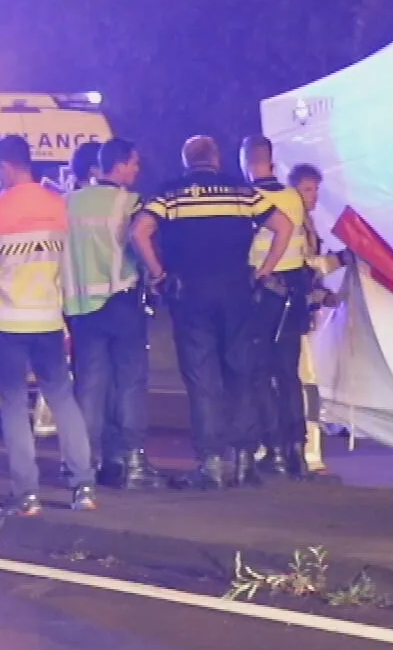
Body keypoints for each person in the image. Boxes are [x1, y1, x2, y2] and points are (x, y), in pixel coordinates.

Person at [131, 135, 293, 489]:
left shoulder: (170, 193)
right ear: (216, 159)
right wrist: (264, 271)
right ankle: (246, 461)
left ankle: (211, 463)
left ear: (186, 161)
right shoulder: (240, 192)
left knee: (202, 379)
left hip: (190, 294)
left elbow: (140, 230)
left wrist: (159, 273)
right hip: (237, 291)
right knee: (241, 373)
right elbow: (284, 226)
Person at [0, 135, 97, 516]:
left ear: (4, 165)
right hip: (47, 320)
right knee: (62, 400)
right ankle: (83, 487)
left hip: (4, 323)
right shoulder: (58, 205)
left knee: (13, 406)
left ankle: (27, 495)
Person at [66, 138, 159, 489]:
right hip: (121, 301)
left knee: (90, 386)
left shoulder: (68, 203)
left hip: (80, 308)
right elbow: (142, 241)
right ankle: (130, 461)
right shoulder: (129, 202)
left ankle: (83, 463)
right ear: (117, 165)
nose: (137, 170)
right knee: (129, 383)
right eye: (133, 164)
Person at [239, 137, 324, 479]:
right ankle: (296, 451)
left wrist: (260, 272)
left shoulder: (248, 199)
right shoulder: (292, 198)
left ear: (246, 163)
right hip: (293, 295)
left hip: (260, 293)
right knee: (289, 376)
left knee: (260, 375)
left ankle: (272, 448)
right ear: (272, 162)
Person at [288, 163, 347, 476]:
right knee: (305, 385)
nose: (313, 196)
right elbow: (305, 269)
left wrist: (324, 294)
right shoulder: (294, 224)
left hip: (301, 312)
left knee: (306, 385)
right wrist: (340, 260)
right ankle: (309, 454)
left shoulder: (305, 223)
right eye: (308, 189)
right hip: (292, 315)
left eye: (315, 190)